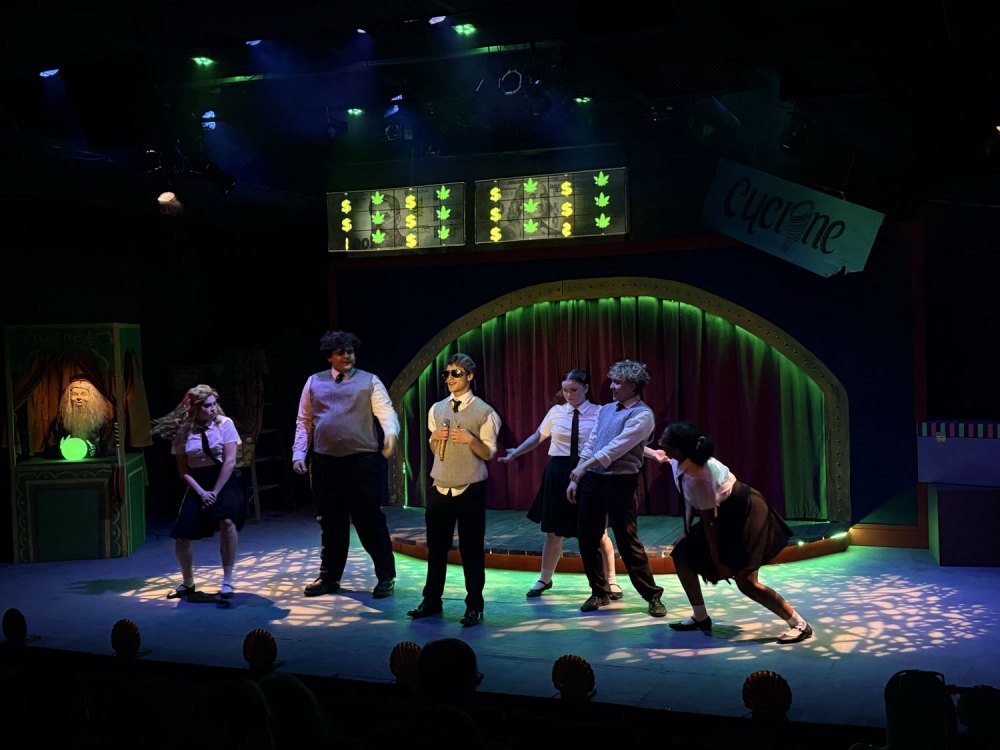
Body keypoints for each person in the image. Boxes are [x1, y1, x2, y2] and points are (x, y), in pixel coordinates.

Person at [657, 421, 813, 643]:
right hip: (724, 511)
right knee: (681, 553)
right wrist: (686, 531)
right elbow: (689, 499)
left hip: (745, 511)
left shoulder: (699, 475)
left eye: (664, 441)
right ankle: (700, 617)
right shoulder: (680, 461)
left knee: (746, 581)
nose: (660, 443)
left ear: (679, 449)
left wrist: (719, 562)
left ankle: (800, 624)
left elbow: (710, 522)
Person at [498, 369, 623, 599]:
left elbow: (617, 441)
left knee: (598, 532)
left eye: (574, 390)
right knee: (554, 532)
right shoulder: (556, 411)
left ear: (586, 388)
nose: (569, 394)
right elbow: (538, 436)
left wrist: (650, 452)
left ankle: (611, 580)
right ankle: (544, 578)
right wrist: (516, 452)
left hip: (588, 471)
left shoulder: (600, 412)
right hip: (558, 473)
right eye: (565, 390)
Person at [293, 330, 398, 599]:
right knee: (330, 523)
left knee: (369, 520)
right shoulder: (314, 382)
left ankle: (386, 575)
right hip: (326, 463)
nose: (347, 356)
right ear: (330, 357)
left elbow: (385, 411)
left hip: (362, 462)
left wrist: (390, 433)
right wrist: (298, 454)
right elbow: (304, 421)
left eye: (350, 351)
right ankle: (329, 577)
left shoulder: (369, 380)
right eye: (341, 352)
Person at [567, 359, 666, 617]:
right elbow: (593, 442)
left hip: (620, 483)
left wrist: (583, 467)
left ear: (633, 385)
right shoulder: (606, 409)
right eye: (612, 381)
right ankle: (599, 592)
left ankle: (652, 595)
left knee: (627, 540)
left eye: (617, 382)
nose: (611, 386)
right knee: (587, 537)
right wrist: (577, 475)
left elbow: (616, 448)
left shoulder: (643, 415)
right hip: (593, 480)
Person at [407, 353, 500, 627]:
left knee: (471, 550)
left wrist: (471, 440)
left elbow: (489, 453)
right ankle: (431, 600)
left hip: (469, 487)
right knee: (436, 549)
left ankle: (474, 606)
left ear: (469, 376)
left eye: (456, 373)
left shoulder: (485, 412)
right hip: (440, 486)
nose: (450, 378)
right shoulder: (436, 409)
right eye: (447, 374)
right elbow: (435, 447)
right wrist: (434, 439)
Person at [152, 384, 244, 599]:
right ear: (194, 407)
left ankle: (228, 580)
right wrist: (201, 492)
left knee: (227, 522)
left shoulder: (225, 424)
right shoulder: (183, 431)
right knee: (182, 535)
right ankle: (188, 582)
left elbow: (230, 461)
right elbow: (183, 470)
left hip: (223, 479)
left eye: (214, 404)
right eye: (207, 406)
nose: (213, 409)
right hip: (198, 482)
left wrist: (215, 492)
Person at [43, 375, 115, 458]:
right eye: (75, 394)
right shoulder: (61, 420)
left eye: (83, 394)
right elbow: (50, 447)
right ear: (69, 398)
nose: (79, 397)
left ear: (91, 398)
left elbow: (111, 446)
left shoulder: (101, 420)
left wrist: (97, 449)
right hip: (69, 459)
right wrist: (59, 449)